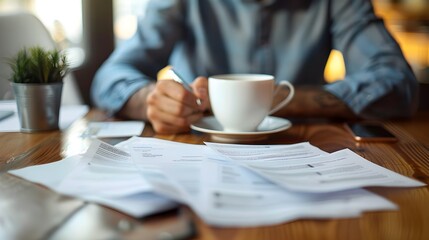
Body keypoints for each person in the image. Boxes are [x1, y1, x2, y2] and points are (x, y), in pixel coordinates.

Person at [91, 0, 418, 134]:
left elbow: (398, 81)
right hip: (195, 155)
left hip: (303, 152)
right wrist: (151, 99)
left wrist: (279, 100)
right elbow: (110, 76)